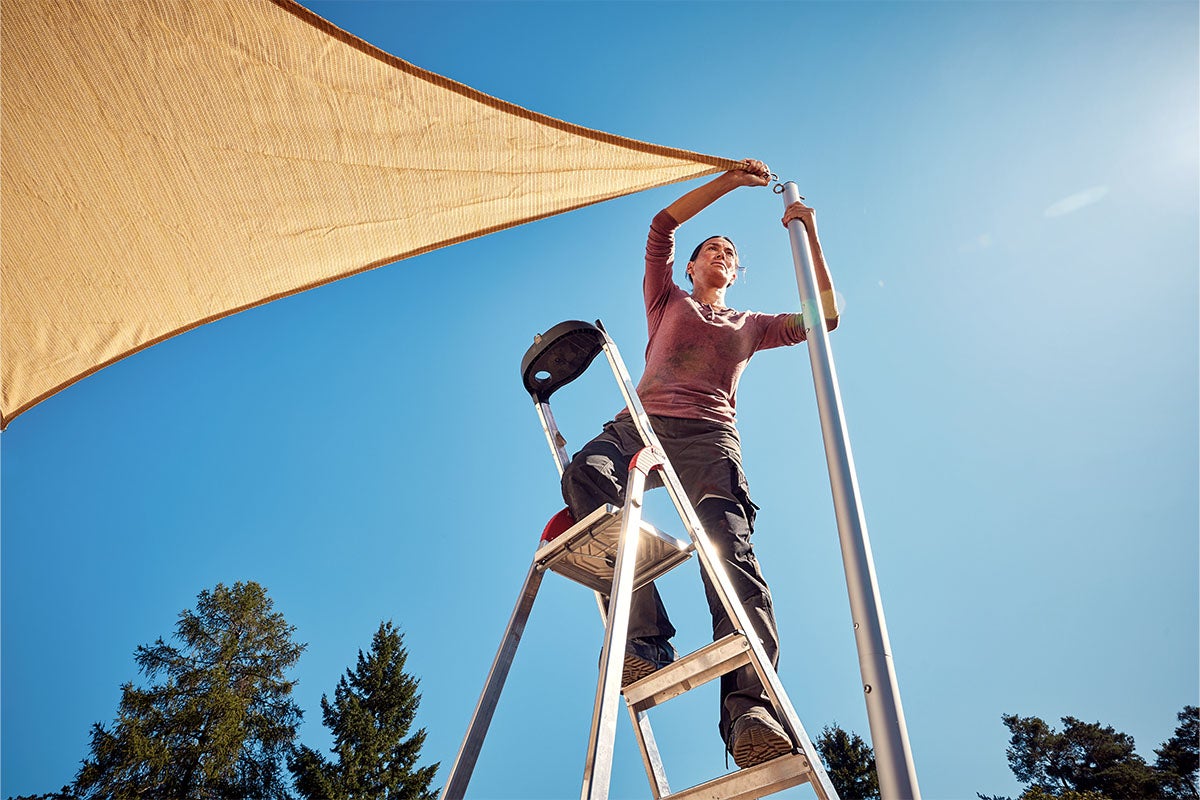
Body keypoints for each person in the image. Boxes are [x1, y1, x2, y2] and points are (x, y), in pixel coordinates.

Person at [559, 158, 840, 769]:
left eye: (729, 252)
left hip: (711, 439)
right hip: (644, 422)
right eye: (709, 247)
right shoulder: (666, 299)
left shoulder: (751, 324)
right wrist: (727, 184)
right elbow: (661, 223)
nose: (719, 253)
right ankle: (646, 639)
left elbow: (825, 316)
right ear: (690, 266)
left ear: (736, 273)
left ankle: (751, 711)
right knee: (586, 476)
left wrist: (807, 230)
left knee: (731, 556)